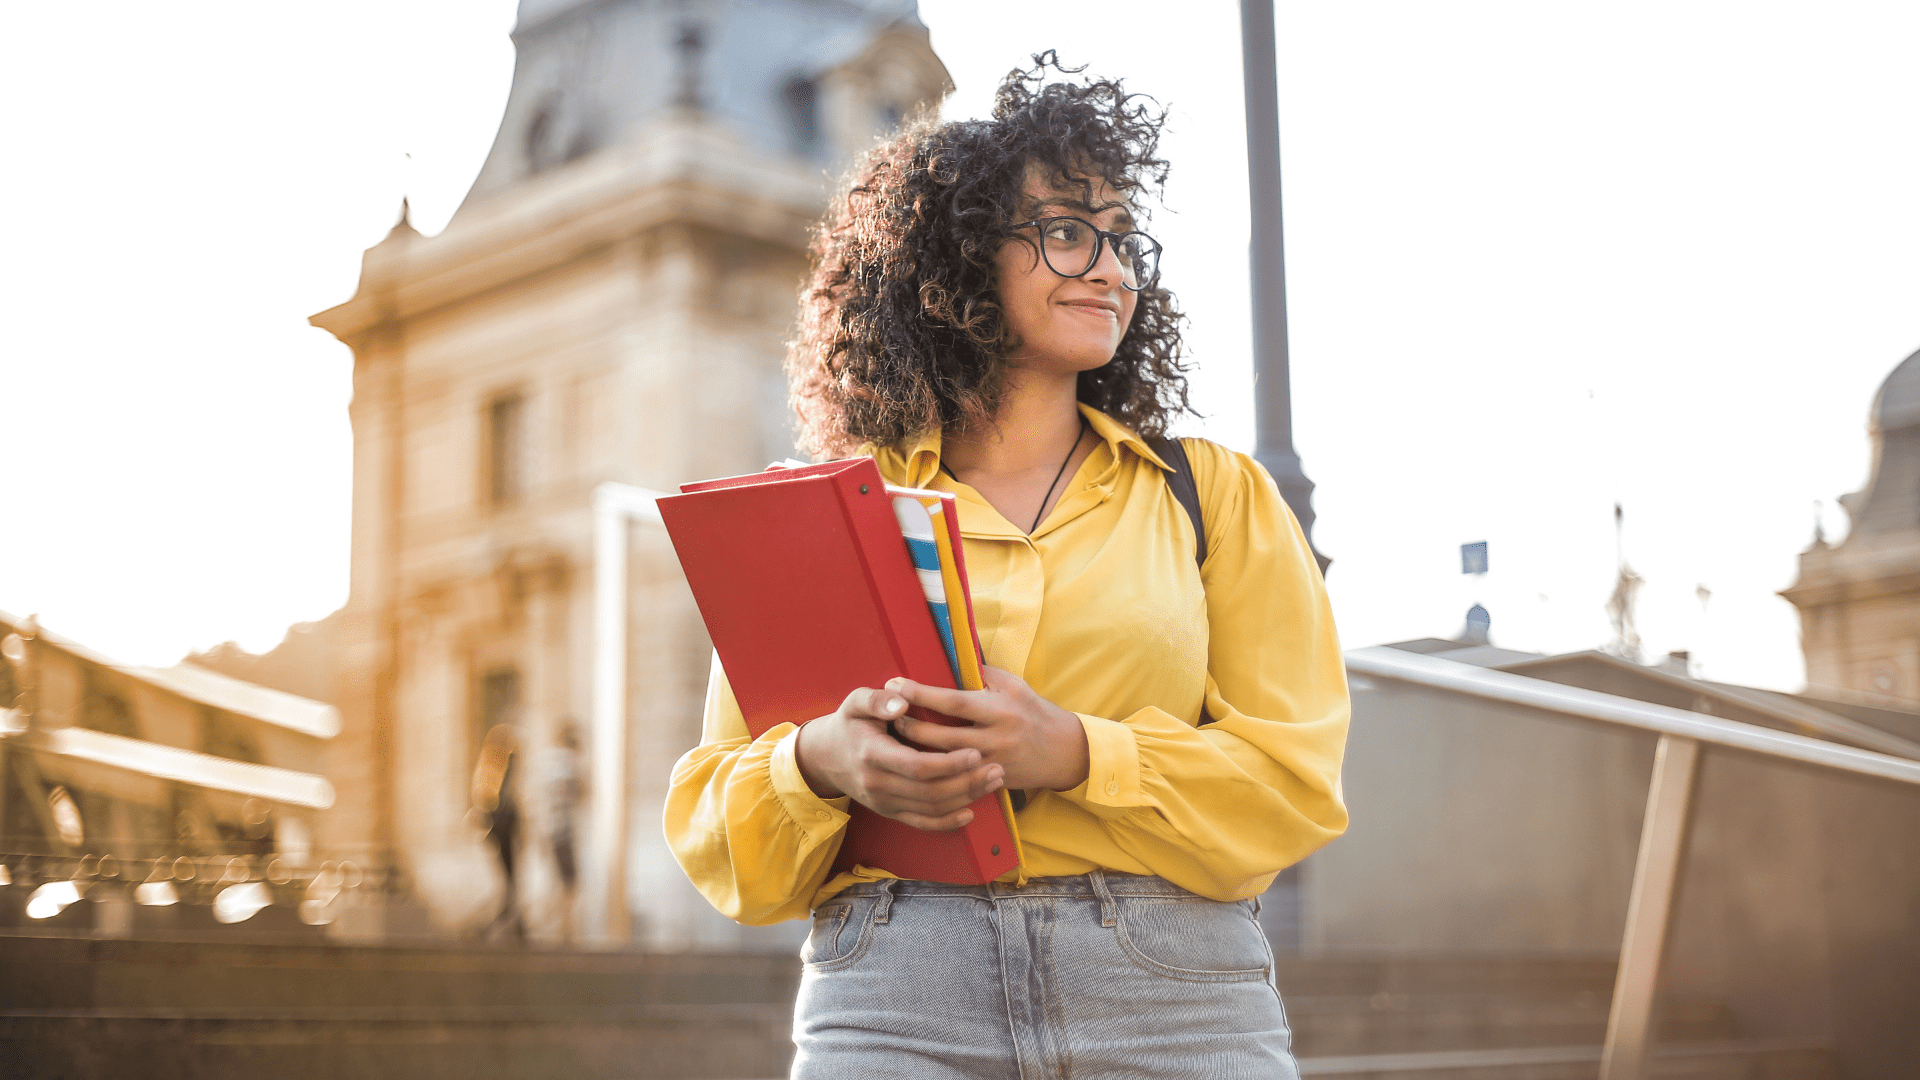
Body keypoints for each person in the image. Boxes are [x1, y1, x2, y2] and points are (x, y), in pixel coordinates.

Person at [665, 54, 1349, 1078]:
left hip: (1172, 993)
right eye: (1069, 232)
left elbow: (1294, 788)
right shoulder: (833, 519)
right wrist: (820, 763)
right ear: (958, 258)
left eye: (1123, 240)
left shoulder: (1214, 496)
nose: (1111, 268)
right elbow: (723, 836)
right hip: (893, 990)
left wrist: (1075, 751)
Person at [471, 723, 525, 941]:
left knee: (510, 879)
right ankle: (508, 924)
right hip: (501, 826)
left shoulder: (493, 768)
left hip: (503, 826)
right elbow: (486, 799)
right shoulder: (494, 769)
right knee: (509, 880)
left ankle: (517, 924)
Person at [535, 719, 586, 942]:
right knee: (569, 882)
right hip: (562, 830)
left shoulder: (545, 761)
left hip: (547, 828)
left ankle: (557, 927)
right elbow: (578, 791)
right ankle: (563, 929)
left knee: (557, 880)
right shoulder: (566, 762)